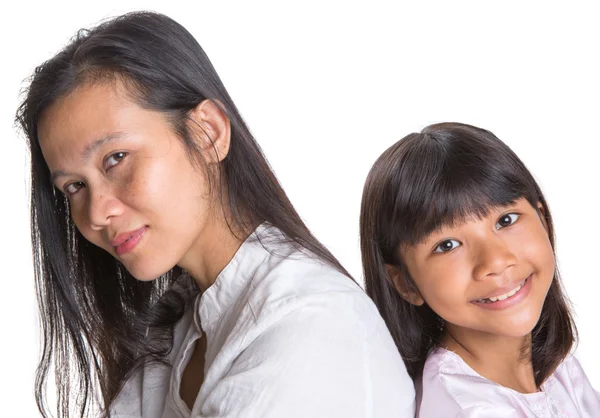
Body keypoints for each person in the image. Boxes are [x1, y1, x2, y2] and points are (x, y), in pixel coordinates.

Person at [16, 11, 415, 418]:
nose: (97, 213)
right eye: (74, 187)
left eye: (116, 158)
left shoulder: (308, 323)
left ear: (207, 132)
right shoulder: (176, 326)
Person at [359, 122, 600, 417]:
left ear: (543, 220)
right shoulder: (467, 408)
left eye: (506, 220)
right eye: (447, 245)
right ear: (406, 283)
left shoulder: (553, 368)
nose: (495, 261)